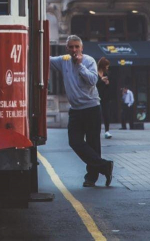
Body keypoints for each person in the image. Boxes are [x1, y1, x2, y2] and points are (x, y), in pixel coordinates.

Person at [49, 36, 114, 187]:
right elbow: (47, 60)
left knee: (93, 144)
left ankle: (91, 178)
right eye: (71, 47)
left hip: (91, 108)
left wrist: (79, 66)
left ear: (81, 48)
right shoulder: (64, 60)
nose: (74, 50)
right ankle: (104, 166)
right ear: (67, 49)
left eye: (76, 47)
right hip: (76, 110)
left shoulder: (89, 61)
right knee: (74, 142)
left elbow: (93, 81)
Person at [95, 58, 112, 139]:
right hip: (96, 97)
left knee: (106, 114)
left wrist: (107, 83)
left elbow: (109, 87)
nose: (107, 68)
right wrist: (101, 80)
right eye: (106, 66)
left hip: (105, 97)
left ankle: (107, 131)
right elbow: (94, 84)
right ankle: (96, 131)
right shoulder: (95, 73)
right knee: (97, 114)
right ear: (103, 66)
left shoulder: (107, 74)